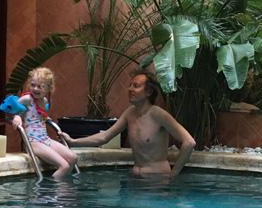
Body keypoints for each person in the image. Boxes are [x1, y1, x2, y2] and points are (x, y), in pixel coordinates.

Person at [61, 69, 196, 179]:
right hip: (136, 179)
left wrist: (174, 174)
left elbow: (189, 142)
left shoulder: (159, 115)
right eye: (130, 85)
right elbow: (105, 137)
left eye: (136, 86)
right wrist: (73, 142)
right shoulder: (129, 113)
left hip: (156, 180)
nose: (130, 89)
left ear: (149, 92)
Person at [12, 67, 77, 179]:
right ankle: (54, 187)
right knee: (64, 166)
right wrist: (17, 116)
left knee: (73, 158)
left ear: (48, 89)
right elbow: (14, 109)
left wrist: (46, 118)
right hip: (33, 142)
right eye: (33, 85)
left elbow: (39, 116)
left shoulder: (44, 101)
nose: (35, 89)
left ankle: (61, 185)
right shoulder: (27, 99)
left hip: (45, 139)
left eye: (40, 86)